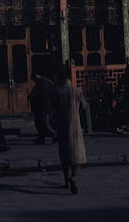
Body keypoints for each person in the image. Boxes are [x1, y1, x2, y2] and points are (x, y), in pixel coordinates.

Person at [51, 66, 87, 194]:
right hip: (75, 126)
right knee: (77, 156)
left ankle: (66, 180)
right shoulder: (76, 90)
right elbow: (83, 107)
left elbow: (53, 109)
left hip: (62, 127)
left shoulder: (56, 91)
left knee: (64, 155)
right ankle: (74, 177)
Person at [28, 70, 55, 144]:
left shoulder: (43, 83)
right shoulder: (42, 82)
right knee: (39, 123)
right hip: (40, 107)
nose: (34, 81)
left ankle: (54, 134)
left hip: (43, 107)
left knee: (44, 123)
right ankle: (41, 138)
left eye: (33, 79)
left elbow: (43, 96)